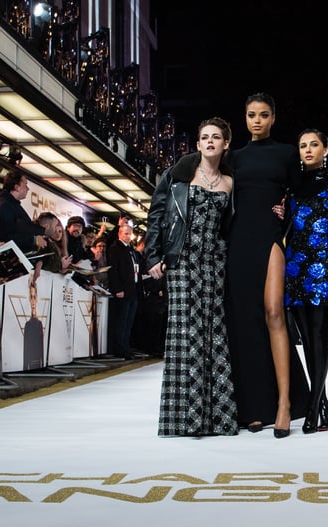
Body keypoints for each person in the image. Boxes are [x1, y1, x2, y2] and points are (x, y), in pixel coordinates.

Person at [144, 116, 238, 437]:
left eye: (216, 137)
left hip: (215, 264)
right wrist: (154, 255)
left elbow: (235, 225)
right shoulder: (178, 175)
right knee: (184, 334)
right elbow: (157, 214)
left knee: (213, 334)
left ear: (225, 144)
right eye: (204, 137)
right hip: (182, 260)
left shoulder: (230, 181)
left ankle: (217, 418)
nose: (210, 141)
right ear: (197, 144)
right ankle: (184, 419)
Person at [224, 92, 309, 438]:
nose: (256, 120)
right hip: (238, 241)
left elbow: (303, 195)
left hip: (271, 237)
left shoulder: (287, 153)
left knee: (274, 312)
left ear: (273, 118)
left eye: (263, 115)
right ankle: (253, 407)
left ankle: (285, 402)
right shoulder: (235, 158)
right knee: (244, 321)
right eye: (250, 115)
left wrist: (286, 213)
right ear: (244, 119)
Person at [283, 128, 328, 434]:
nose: (307, 150)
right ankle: (323, 402)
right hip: (295, 266)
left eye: (313, 144)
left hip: (324, 265)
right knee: (307, 340)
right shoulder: (292, 185)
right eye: (302, 145)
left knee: (319, 337)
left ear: (325, 148)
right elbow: (288, 222)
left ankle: (314, 408)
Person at [107, 223, 145, 360]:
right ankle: (119, 348)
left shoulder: (132, 251)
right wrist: (117, 289)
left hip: (132, 289)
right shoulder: (115, 249)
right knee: (121, 321)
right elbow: (113, 271)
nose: (128, 236)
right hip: (122, 290)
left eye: (130, 234)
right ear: (119, 234)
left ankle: (126, 347)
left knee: (128, 321)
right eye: (125, 233)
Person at [0, 172, 47, 254]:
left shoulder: (11, 205)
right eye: (25, 185)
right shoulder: (5, 206)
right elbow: (6, 236)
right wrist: (33, 239)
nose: (28, 189)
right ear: (17, 187)